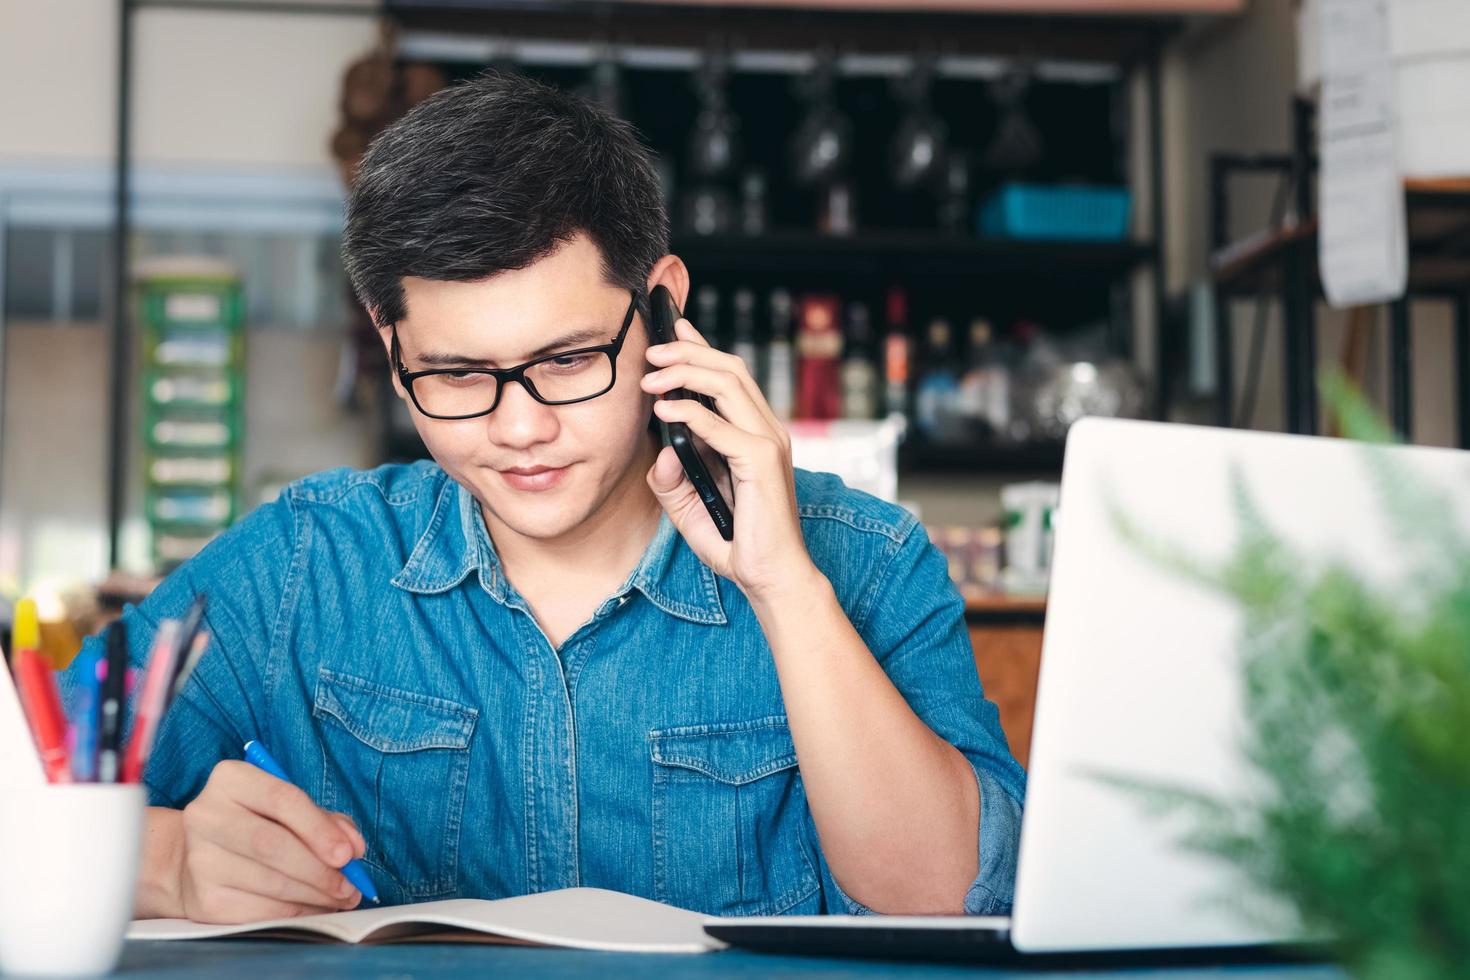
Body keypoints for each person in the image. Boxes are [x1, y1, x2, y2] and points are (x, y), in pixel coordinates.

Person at [70, 71, 1024, 924]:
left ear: (662, 308)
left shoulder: (864, 558)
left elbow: (953, 899)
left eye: (568, 360)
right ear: (388, 343)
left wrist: (784, 588)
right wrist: (165, 865)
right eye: (452, 373)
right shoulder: (301, 566)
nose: (518, 428)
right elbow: (25, 791)